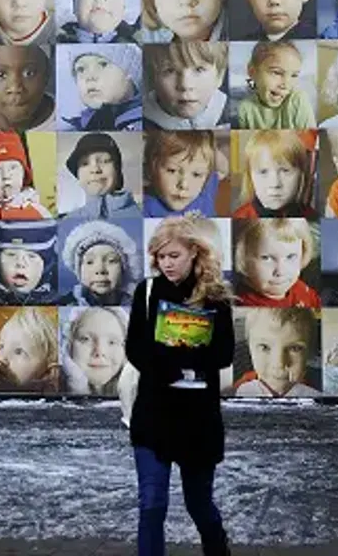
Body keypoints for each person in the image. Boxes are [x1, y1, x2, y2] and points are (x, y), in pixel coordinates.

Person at [126, 215, 233, 556]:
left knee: (199, 505)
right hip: (153, 417)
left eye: (173, 255)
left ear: (193, 253)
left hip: (197, 421)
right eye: (160, 256)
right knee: (152, 505)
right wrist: (170, 362)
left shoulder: (215, 297)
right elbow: (135, 348)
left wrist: (185, 356)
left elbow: (224, 354)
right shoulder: (146, 293)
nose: (166, 263)